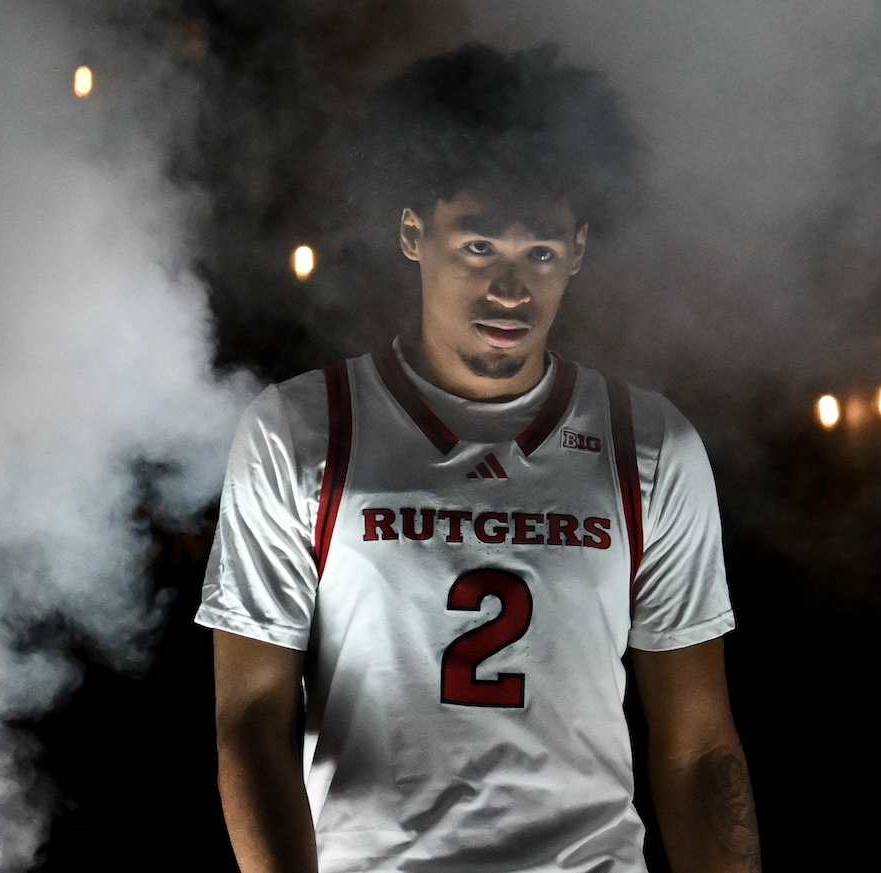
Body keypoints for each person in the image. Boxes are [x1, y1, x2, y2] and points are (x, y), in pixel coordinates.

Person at [196, 43, 760, 873]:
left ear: (577, 249)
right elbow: (249, 721)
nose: (510, 288)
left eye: (538, 253)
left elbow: (699, 744)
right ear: (414, 234)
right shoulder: (301, 431)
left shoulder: (651, 444)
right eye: (479, 247)